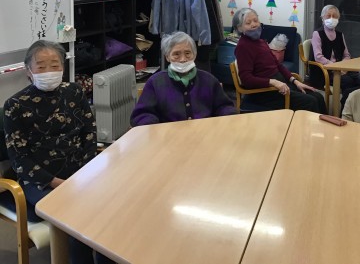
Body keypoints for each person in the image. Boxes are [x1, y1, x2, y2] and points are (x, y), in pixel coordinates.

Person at [3, 40, 114, 264]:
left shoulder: (74, 92)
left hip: (79, 172)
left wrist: (86, 172)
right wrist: (57, 183)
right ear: (28, 70)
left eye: (54, 65)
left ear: (63, 67)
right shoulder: (15, 105)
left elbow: (89, 132)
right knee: (76, 213)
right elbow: (19, 158)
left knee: (108, 207)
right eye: (41, 66)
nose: (49, 71)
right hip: (40, 180)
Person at [233, 8, 327, 113]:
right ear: (239, 28)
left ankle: (327, 123)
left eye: (255, 20)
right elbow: (246, 79)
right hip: (265, 92)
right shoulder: (243, 47)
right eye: (248, 23)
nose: (254, 24)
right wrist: (273, 82)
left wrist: (295, 81)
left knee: (317, 96)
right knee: (310, 102)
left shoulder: (261, 42)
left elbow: (278, 65)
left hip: (280, 84)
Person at [131, 31, 236, 126]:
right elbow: (141, 115)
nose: (183, 59)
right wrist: (154, 127)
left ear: (194, 55)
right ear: (167, 57)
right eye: (176, 54)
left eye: (187, 53)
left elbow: (224, 106)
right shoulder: (155, 82)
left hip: (203, 134)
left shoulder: (209, 80)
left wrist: (227, 118)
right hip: (169, 137)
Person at [310, 4, 360, 107]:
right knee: (348, 81)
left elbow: (347, 55)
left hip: (341, 69)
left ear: (338, 19)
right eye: (328, 16)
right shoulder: (317, 34)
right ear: (322, 18)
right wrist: (335, 67)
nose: (331, 18)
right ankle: (345, 106)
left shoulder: (340, 35)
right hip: (324, 71)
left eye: (334, 16)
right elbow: (318, 57)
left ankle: (356, 105)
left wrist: (343, 67)